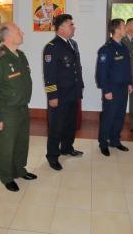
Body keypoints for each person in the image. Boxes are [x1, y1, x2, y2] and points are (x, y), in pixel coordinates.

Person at [0, 22, 37, 192]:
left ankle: (20, 170)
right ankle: (6, 176)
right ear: (7, 36)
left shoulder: (20, 55)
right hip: (7, 111)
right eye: (18, 30)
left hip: (22, 108)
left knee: (22, 143)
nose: (22, 32)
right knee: (6, 146)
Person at [43, 14, 84, 170]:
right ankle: (52, 156)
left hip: (73, 93)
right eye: (70, 24)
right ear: (61, 27)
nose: (73, 27)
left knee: (70, 124)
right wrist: (52, 96)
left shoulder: (73, 44)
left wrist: (79, 88)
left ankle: (67, 148)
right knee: (56, 127)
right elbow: (49, 75)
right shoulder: (52, 47)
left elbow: (76, 69)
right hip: (59, 96)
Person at [96, 19, 133, 156]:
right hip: (111, 89)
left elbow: (127, 68)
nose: (126, 29)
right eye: (124, 27)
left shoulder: (123, 47)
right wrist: (106, 90)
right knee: (109, 117)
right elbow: (101, 73)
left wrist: (129, 83)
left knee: (120, 116)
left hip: (123, 88)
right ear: (116, 30)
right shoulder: (106, 49)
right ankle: (103, 143)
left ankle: (115, 140)